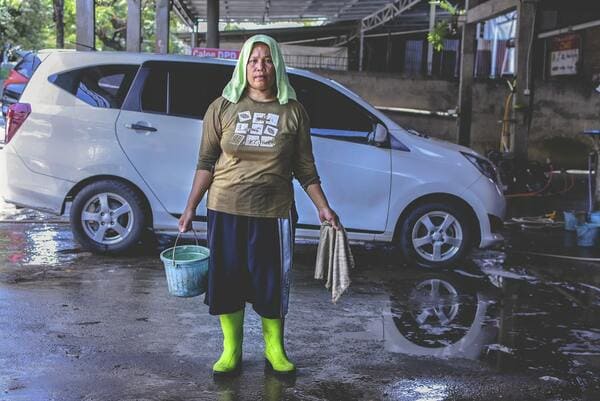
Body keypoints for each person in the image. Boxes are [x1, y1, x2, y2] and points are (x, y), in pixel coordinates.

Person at [178, 34, 340, 376]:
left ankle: (274, 348)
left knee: (271, 282)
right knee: (227, 281)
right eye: (253, 60)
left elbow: (305, 168)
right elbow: (206, 161)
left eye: (266, 60)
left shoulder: (293, 111)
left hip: (274, 213)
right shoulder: (221, 107)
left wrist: (323, 208)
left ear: (277, 64)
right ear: (243, 65)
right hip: (224, 208)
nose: (259, 67)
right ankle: (231, 349)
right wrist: (191, 206)